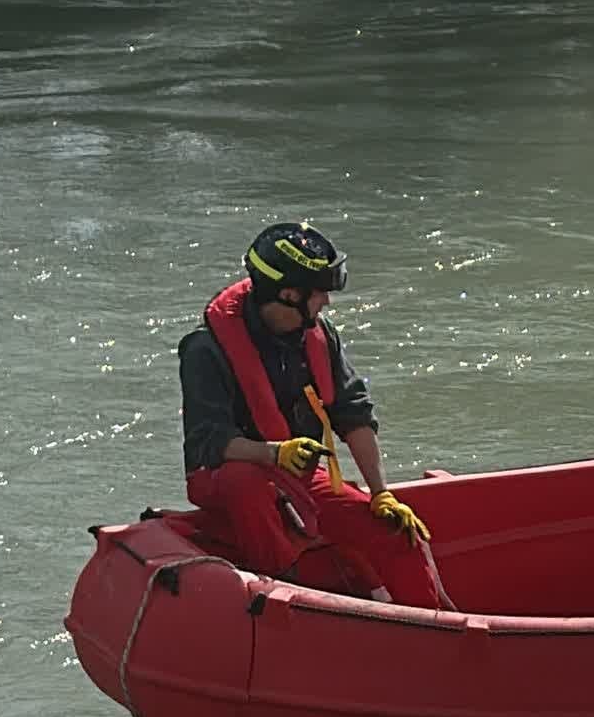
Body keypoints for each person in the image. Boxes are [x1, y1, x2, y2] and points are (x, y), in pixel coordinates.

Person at [177, 222, 441, 608]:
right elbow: (211, 442)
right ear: (288, 294)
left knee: (395, 532)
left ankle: (434, 626)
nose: (327, 304)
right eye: (320, 294)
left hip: (298, 474)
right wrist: (273, 454)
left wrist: (381, 494)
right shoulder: (206, 350)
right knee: (246, 484)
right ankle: (286, 591)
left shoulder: (319, 335)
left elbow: (353, 413)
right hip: (228, 473)